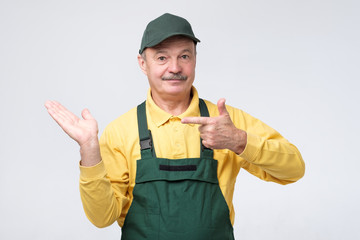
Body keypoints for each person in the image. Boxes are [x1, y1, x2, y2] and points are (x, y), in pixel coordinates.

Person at [45, 13, 305, 240]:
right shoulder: (121, 131)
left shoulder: (224, 121)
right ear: (142, 63)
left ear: (195, 59)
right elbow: (102, 218)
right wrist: (90, 149)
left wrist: (239, 141)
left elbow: (294, 169)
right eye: (161, 57)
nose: (175, 68)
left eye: (184, 56)